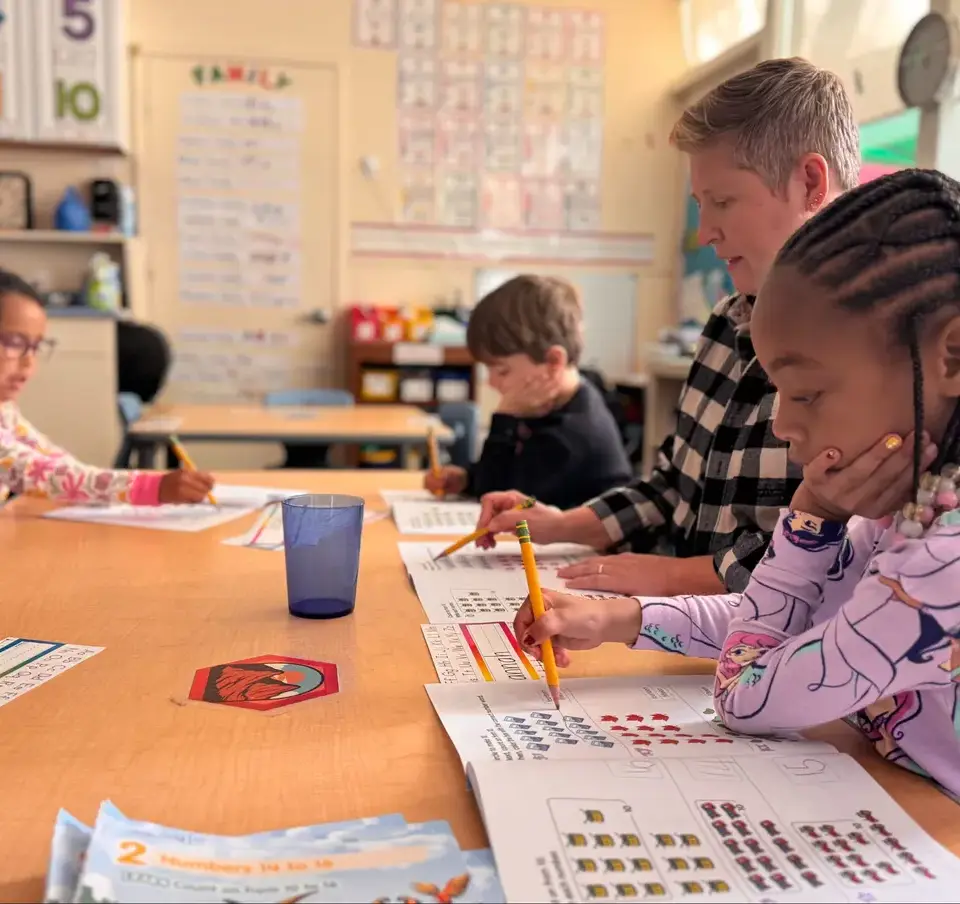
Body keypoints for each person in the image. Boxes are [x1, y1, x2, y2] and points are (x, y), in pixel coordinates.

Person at [514, 169, 960, 798]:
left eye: (806, 393)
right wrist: (618, 619)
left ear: (953, 356)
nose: (782, 425)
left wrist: (811, 515)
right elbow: (798, 624)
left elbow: (746, 691)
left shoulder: (941, 560)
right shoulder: (911, 505)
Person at [474, 58, 862, 596]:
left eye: (723, 202)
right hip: (669, 628)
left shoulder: (871, 351)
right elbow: (672, 488)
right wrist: (562, 524)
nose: (705, 232)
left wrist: (666, 577)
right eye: (701, 206)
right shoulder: (728, 323)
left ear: (811, 182)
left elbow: (834, 559)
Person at [0, 269, 214, 505]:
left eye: (36, 347)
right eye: (15, 343)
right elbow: (35, 473)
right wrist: (149, 488)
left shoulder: (5, 409)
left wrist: (118, 485)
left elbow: (55, 461)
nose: (29, 362)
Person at [423, 275, 631, 510]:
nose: (491, 382)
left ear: (553, 362)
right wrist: (466, 479)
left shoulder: (574, 432)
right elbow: (512, 470)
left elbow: (497, 497)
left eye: (502, 370)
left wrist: (504, 417)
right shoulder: (552, 403)